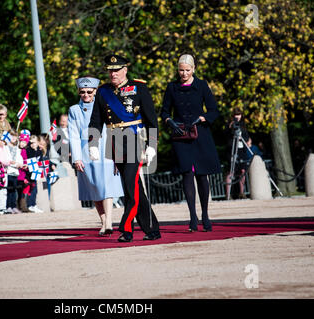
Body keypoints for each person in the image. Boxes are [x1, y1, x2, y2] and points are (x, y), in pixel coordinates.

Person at [88, 54, 161, 242]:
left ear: (125, 70)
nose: (113, 74)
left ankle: (126, 229)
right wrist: (92, 143)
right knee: (134, 188)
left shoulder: (139, 88)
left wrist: (151, 145)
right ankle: (152, 228)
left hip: (135, 140)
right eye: (110, 71)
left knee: (130, 186)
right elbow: (96, 120)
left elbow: (151, 119)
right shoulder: (103, 91)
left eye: (117, 70)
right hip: (114, 142)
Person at [160, 53, 221, 232]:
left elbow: (213, 110)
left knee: (202, 176)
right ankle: (192, 216)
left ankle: (205, 214)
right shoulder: (171, 87)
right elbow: (164, 111)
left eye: (187, 70)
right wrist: (170, 122)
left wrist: (202, 118)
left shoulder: (201, 85)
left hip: (200, 135)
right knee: (187, 174)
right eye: (181, 70)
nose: (184, 73)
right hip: (181, 136)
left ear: (193, 69)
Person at [68, 76, 124, 236]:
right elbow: (73, 135)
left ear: (95, 91)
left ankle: (108, 222)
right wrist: (77, 158)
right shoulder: (74, 110)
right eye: (82, 92)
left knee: (107, 188)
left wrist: (116, 153)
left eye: (89, 92)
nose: (86, 95)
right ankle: (103, 221)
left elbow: (115, 130)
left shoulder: (105, 106)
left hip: (105, 151)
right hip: (85, 153)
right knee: (94, 189)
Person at [225, 108, 250, 200]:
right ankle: (228, 194)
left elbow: (246, 137)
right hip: (232, 149)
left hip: (241, 149)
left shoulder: (243, 126)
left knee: (242, 171)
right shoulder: (229, 125)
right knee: (231, 171)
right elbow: (226, 136)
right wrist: (231, 127)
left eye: (239, 115)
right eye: (236, 115)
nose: (237, 117)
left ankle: (242, 192)